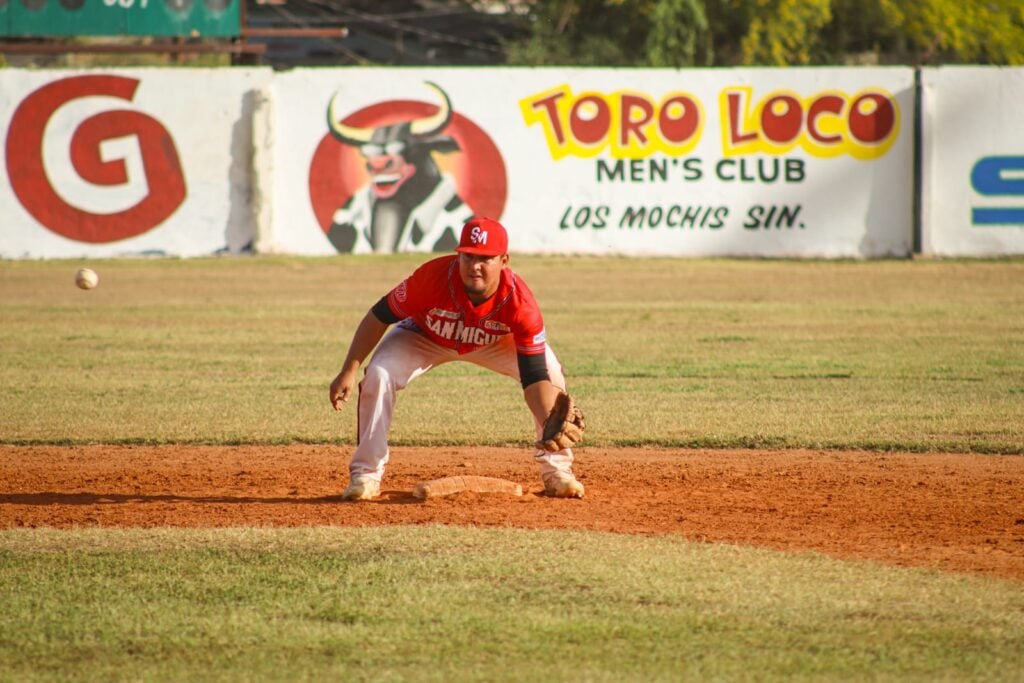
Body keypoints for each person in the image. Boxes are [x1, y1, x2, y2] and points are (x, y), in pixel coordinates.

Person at [329, 216, 585, 501]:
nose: (474, 266)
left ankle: (557, 473)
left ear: (504, 260)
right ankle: (365, 475)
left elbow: (534, 374)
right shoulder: (431, 278)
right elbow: (379, 315)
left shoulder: (520, 304)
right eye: (468, 256)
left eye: (485, 259)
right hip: (425, 336)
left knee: (551, 373)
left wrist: (549, 417)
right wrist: (349, 370)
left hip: (495, 343)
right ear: (458, 255)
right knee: (378, 373)